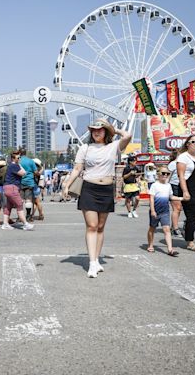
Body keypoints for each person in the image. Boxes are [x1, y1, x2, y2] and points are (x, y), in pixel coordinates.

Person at [63, 118, 131, 278]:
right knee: (92, 226)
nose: (96, 132)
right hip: (89, 188)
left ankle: (97, 259)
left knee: (100, 226)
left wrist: (114, 129)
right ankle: (92, 262)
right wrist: (67, 185)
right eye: (93, 130)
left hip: (106, 189)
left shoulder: (113, 146)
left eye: (100, 129)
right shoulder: (85, 148)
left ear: (106, 132)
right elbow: (77, 168)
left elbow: (127, 136)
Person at [147, 166, 182, 256]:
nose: (165, 175)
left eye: (167, 174)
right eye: (163, 173)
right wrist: (153, 210)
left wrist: (181, 198)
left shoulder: (168, 185)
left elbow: (171, 197)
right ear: (158, 174)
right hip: (155, 210)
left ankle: (170, 249)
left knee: (166, 229)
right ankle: (150, 244)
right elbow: (151, 198)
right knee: (152, 229)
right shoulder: (154, 185)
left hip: (165, 211)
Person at [2, 152, 34, 231]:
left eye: (20, 157)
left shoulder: (10, 166)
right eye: (18, 158)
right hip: (12, 188)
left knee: (8, 207)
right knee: (19, 205)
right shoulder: (14, 166)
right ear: (13, 159)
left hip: (6, 187)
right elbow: (24, 173)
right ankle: (25, 224)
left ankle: (5, 224)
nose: (19, 159)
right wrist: (19, 164)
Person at [167, 149, 183, 236]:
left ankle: (173, 227)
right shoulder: (173, 164)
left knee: (178, 208)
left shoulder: (182, 163)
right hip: (173, 186)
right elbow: (167, 177)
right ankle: (175, 229)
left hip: (180, 186)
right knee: (176, 208)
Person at [19, 148, 37, 221]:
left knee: (21, 200)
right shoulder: (31, 161)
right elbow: (35, 172)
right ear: (25, 153)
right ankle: (28, 216)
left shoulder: (19, 161)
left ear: (20, 153)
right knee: (28, 200)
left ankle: (20, 216)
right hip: (29, 182)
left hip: (20, 182)